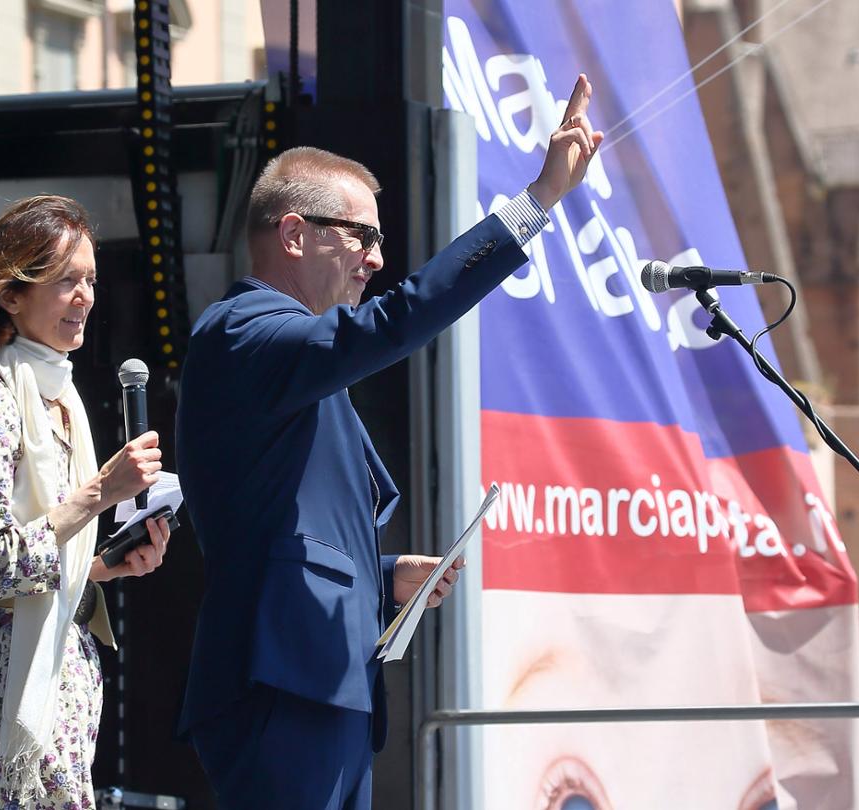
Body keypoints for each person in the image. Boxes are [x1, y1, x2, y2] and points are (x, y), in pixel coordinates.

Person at [176, 75, 603, 808]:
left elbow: (282, 528)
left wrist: (384, 575)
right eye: (362, 235)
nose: (376, 258)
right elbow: (397, 320)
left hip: (323, 683)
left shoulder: (290, 357)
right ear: (293, 234)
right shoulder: (245, 331)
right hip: (280, 684)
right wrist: (536, 203)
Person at [0, 195, 172, 809]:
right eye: (66, 280)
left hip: (63, 669)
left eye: (90, 280)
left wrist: (103, 567)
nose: (85, 297)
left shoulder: (62, 401)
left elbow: (42, 557)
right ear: (11, 295)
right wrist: (100, 492)